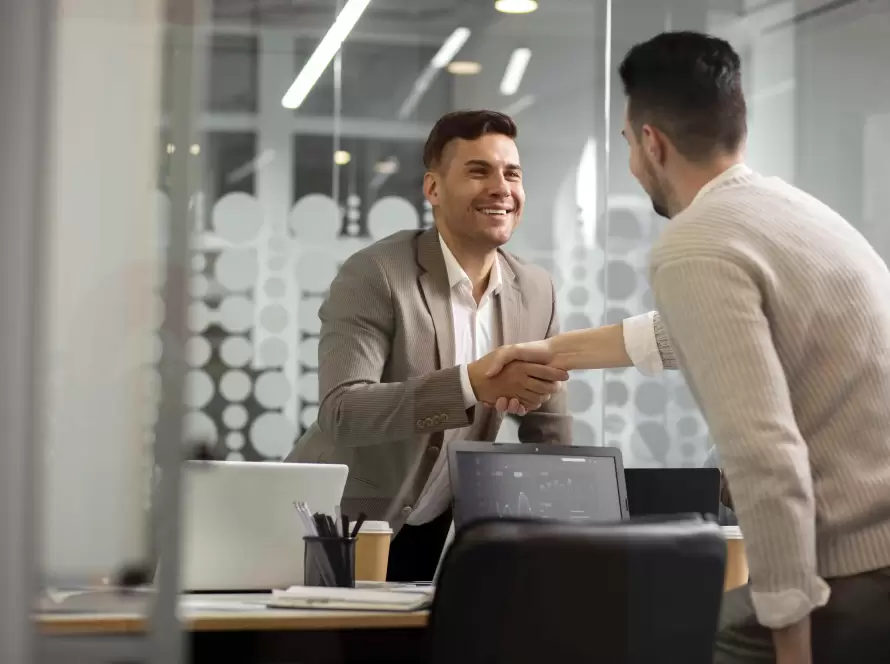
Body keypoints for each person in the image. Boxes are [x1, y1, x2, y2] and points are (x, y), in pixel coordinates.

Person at [485, 31, 890, 664]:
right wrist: (550, 354)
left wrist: (791, 637)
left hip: (860, 573)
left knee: (652, 636)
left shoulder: (696, 243)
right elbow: (687, 332)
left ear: (652, 143)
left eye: (626, 143)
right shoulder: (790, 213)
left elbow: (765, 454)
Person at [286, 110, 572, 582]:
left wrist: (570, 535)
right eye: (478, 171)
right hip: (336, 525)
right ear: (433, 189)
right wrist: (469, 383)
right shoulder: (377, 273)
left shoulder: (535, 289)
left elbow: (548, 428)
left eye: (512, 173)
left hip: (432, 529)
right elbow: (343, 410)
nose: (501, 187)